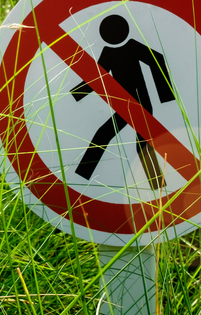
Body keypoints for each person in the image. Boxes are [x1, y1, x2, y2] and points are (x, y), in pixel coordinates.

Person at [69, 14, 175, 187]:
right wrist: (75, 94)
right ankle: (157, 184)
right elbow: (97, 77)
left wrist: (166, 94)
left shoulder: (133, 47)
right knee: (110, 136)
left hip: (141, 104)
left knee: (135, 142)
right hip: (124, 105)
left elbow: (157, 59)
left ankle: (157, 185)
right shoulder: (108, 53)